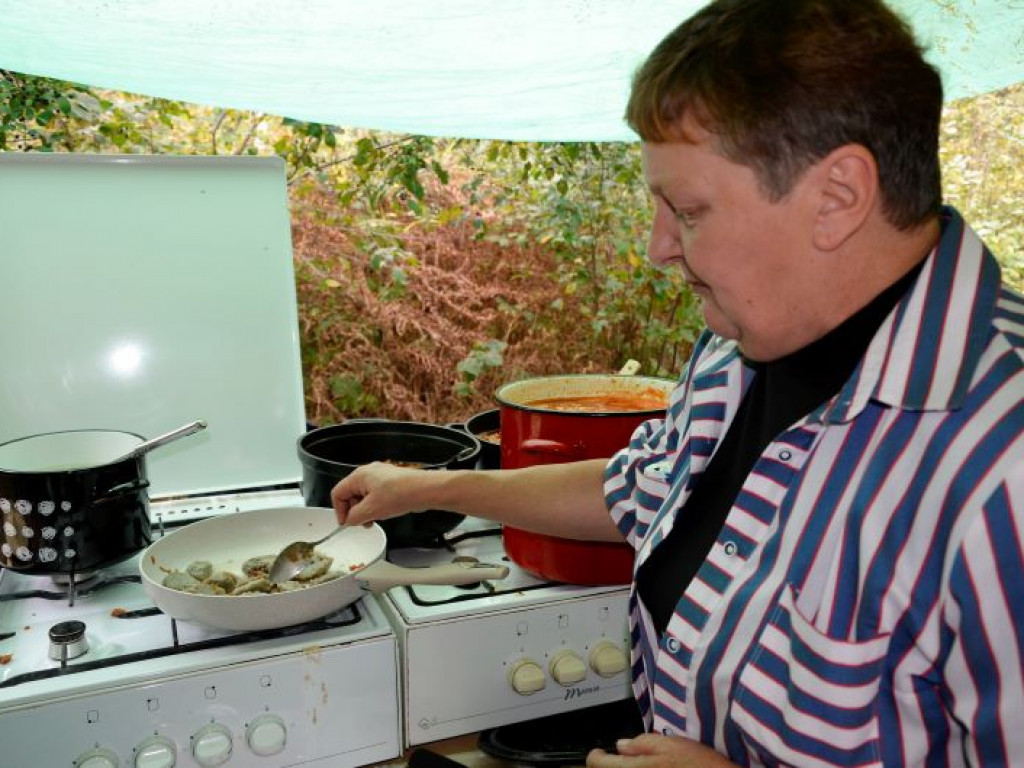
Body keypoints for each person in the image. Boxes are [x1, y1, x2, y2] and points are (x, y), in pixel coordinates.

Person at [331, 0, 1024, 764]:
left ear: (838, 197)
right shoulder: (739, 349)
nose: (660, 248)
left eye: (687, 210)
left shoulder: (1001, 458)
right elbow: (643, 489)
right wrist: (429, 488)